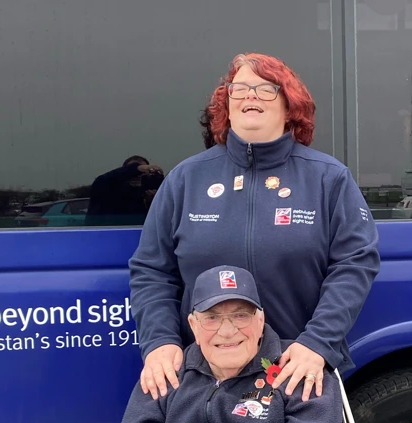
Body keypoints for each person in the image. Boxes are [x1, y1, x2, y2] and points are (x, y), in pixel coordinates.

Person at [129, 52, 380, 403]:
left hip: (296, 369)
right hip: (205, 372)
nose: (250, 95)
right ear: (226, 104)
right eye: (239, 88)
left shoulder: (328, 178)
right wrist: (160, 342)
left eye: (266, 89)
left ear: (289, 105)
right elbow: (152, 271)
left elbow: (355, 264)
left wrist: (318, 343)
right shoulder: (186, 179)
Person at [115, 265, 342, 423]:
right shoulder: (166, 371)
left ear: (260, 319)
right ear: (193, 325)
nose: (227, 331)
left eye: (240, 315)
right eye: (212, 318)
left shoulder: (297, 371)